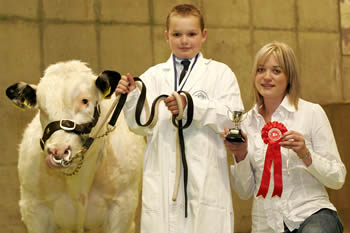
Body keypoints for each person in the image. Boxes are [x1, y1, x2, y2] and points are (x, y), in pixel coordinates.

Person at [115, 4, 243, 233]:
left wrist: (191, 105)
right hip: (162, 182)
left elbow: (231, 119)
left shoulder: (220, 74)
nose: (184, 41)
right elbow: (140, 126)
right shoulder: (153, 76)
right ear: (166, 37)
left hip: (206, 181)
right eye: (177, 34)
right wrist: (132, 96)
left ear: (203, 35)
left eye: (191, 34)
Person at [221, 41, 346, 233]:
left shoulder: (311, 113)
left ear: (289, 77)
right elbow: (244, 192)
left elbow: (337, 178)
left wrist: (305, 153)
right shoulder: (244, 122)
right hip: (266, 225)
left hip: (312, 213)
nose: (267, 77)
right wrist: (240, 155)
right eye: (261, 69)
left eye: (276, 71)